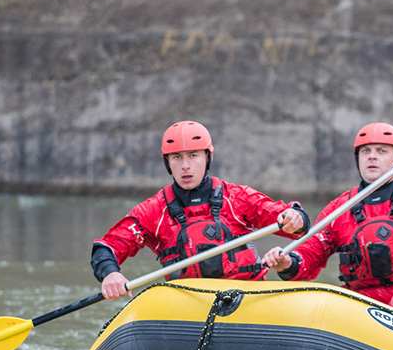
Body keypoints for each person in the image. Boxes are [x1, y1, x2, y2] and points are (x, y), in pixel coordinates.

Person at [91, 120, 308, 299]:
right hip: (190, 305)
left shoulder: (237, 198)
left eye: (193, 156)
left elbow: (293, 224)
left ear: (207, 157)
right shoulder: (155, 211)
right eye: (177, 157)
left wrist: (295, 218)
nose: (185, 166)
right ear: (167, 163)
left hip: (247, 298)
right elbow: (106, 247)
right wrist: (110, 274)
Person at [260, 122, 393, 305]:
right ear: (358, 159)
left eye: (381, 151)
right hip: (358, 303)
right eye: (366, 151)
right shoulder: (339, 209)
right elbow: (309, 255)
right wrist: (286, 262)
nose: (372, 157)